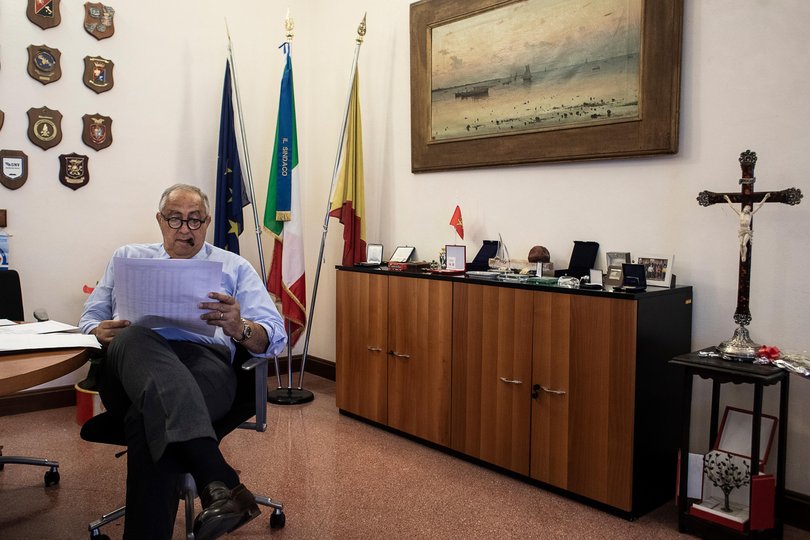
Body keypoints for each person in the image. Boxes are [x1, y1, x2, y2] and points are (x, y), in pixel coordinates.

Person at [79, 184, 287, 540]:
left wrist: (239, 326)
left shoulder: (234, 266)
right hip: (132, 364)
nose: (185, 229)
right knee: (134, 336)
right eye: (175, 219)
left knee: (148, 419)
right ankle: (218, 477)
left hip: (205, 365)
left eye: (194, 221)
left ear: (207, 223)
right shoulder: (128, 257)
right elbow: (89, 321)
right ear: (160, 221)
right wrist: (100, 330)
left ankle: (218, 490)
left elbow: (274, 337)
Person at [724, 193, 770, 262]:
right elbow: (732, 207)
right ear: (744, 208)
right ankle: (742, 255)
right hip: (741, 230)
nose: (747, 209)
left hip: (747, 231)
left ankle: (744, 255)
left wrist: (765, 198)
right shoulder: (740, 214)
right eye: (746, 208)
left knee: (744, 244)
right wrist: (728, 199)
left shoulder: (750, 214)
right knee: (740, 244)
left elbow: (759, 206)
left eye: (748, 208)